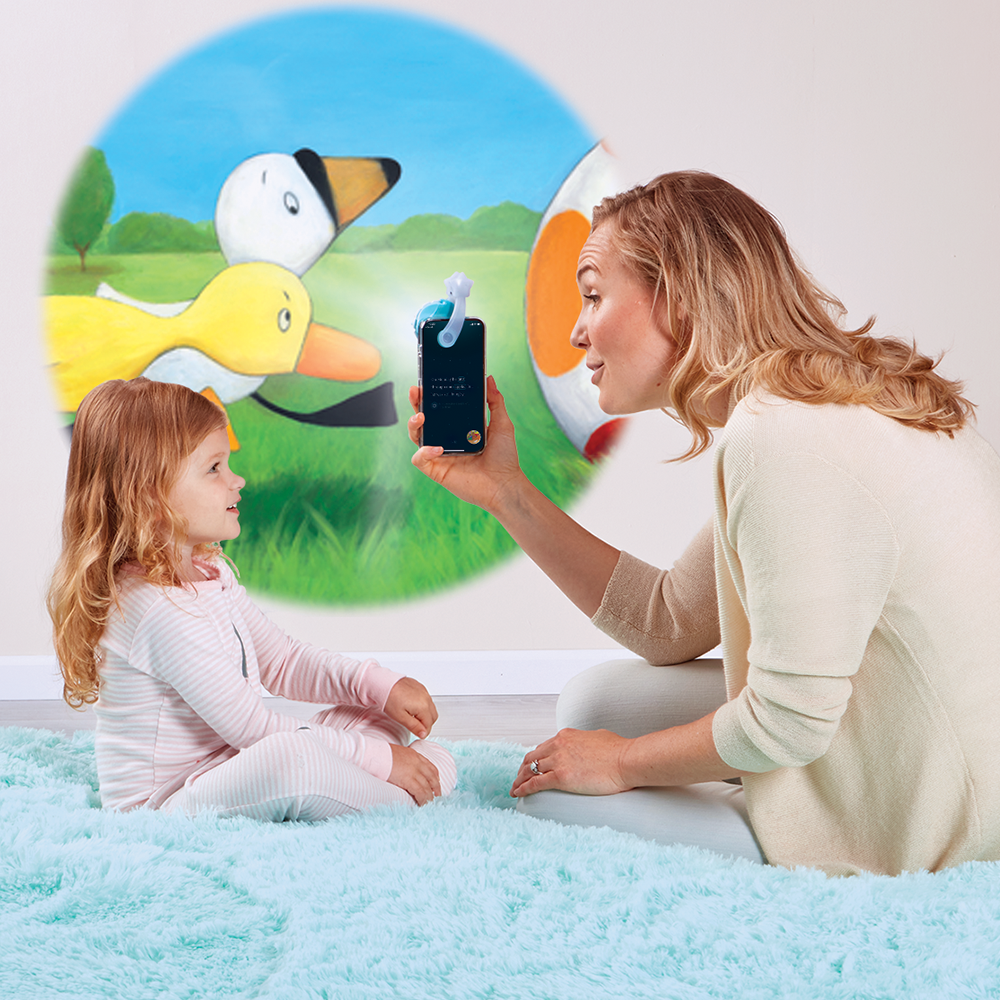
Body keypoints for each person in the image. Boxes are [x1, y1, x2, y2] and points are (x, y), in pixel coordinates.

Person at [408, 170, 1000, 876]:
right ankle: (732, 788)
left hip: (933, 817)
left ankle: (803, 833)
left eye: (594, 294)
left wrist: (624, 765)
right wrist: (508, 493)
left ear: (681, 297)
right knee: (596, 702)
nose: (574, 330)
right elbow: (667, 622)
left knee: (563, 801)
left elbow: (789, 722)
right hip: (904, 737)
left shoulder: (784, 440)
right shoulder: (812, 404)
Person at [48, 377, 456, 820]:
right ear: (148, 495)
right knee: (292, 759)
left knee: (373, 713)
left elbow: (282, 661)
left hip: (229, 765)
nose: (236, 480)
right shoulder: (153, 609)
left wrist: (377, 686)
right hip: (166, 805)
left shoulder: (210, 572)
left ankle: (387, 775)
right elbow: (254, 730)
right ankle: (407, 797)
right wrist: (385, 761)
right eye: (214, 469)